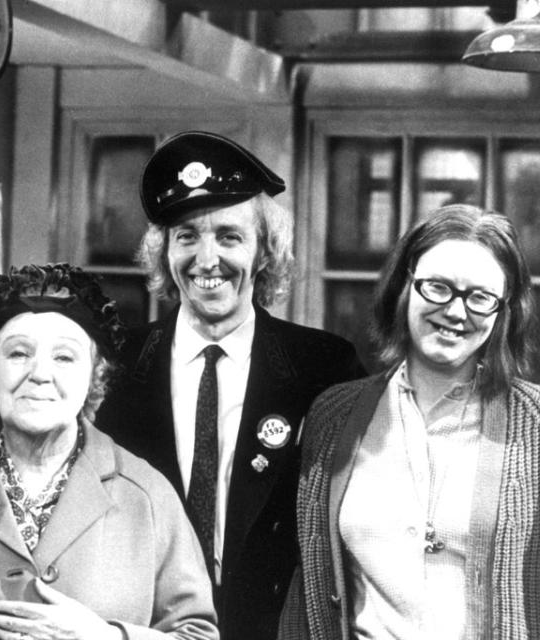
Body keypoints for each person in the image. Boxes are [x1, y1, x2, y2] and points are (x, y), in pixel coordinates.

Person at [278, 204, 540, 639]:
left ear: (504, 311)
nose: (457, 311)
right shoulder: (334, 417)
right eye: (438, 287)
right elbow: (310, 583)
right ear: (404, 287)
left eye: (480, 297)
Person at [95, 131, 365, 640]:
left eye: (229, 236)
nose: (206, 258)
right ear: (164, 253)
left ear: (264, 252)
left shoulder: (324, 367)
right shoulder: (111, 365)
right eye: (187, 236)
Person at [0, 264, 218, 640]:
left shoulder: (148, 495)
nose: (40, 374)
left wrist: (108, 637)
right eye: (19, 353)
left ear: (95, 376)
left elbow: (198, 634)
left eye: (64, 358)